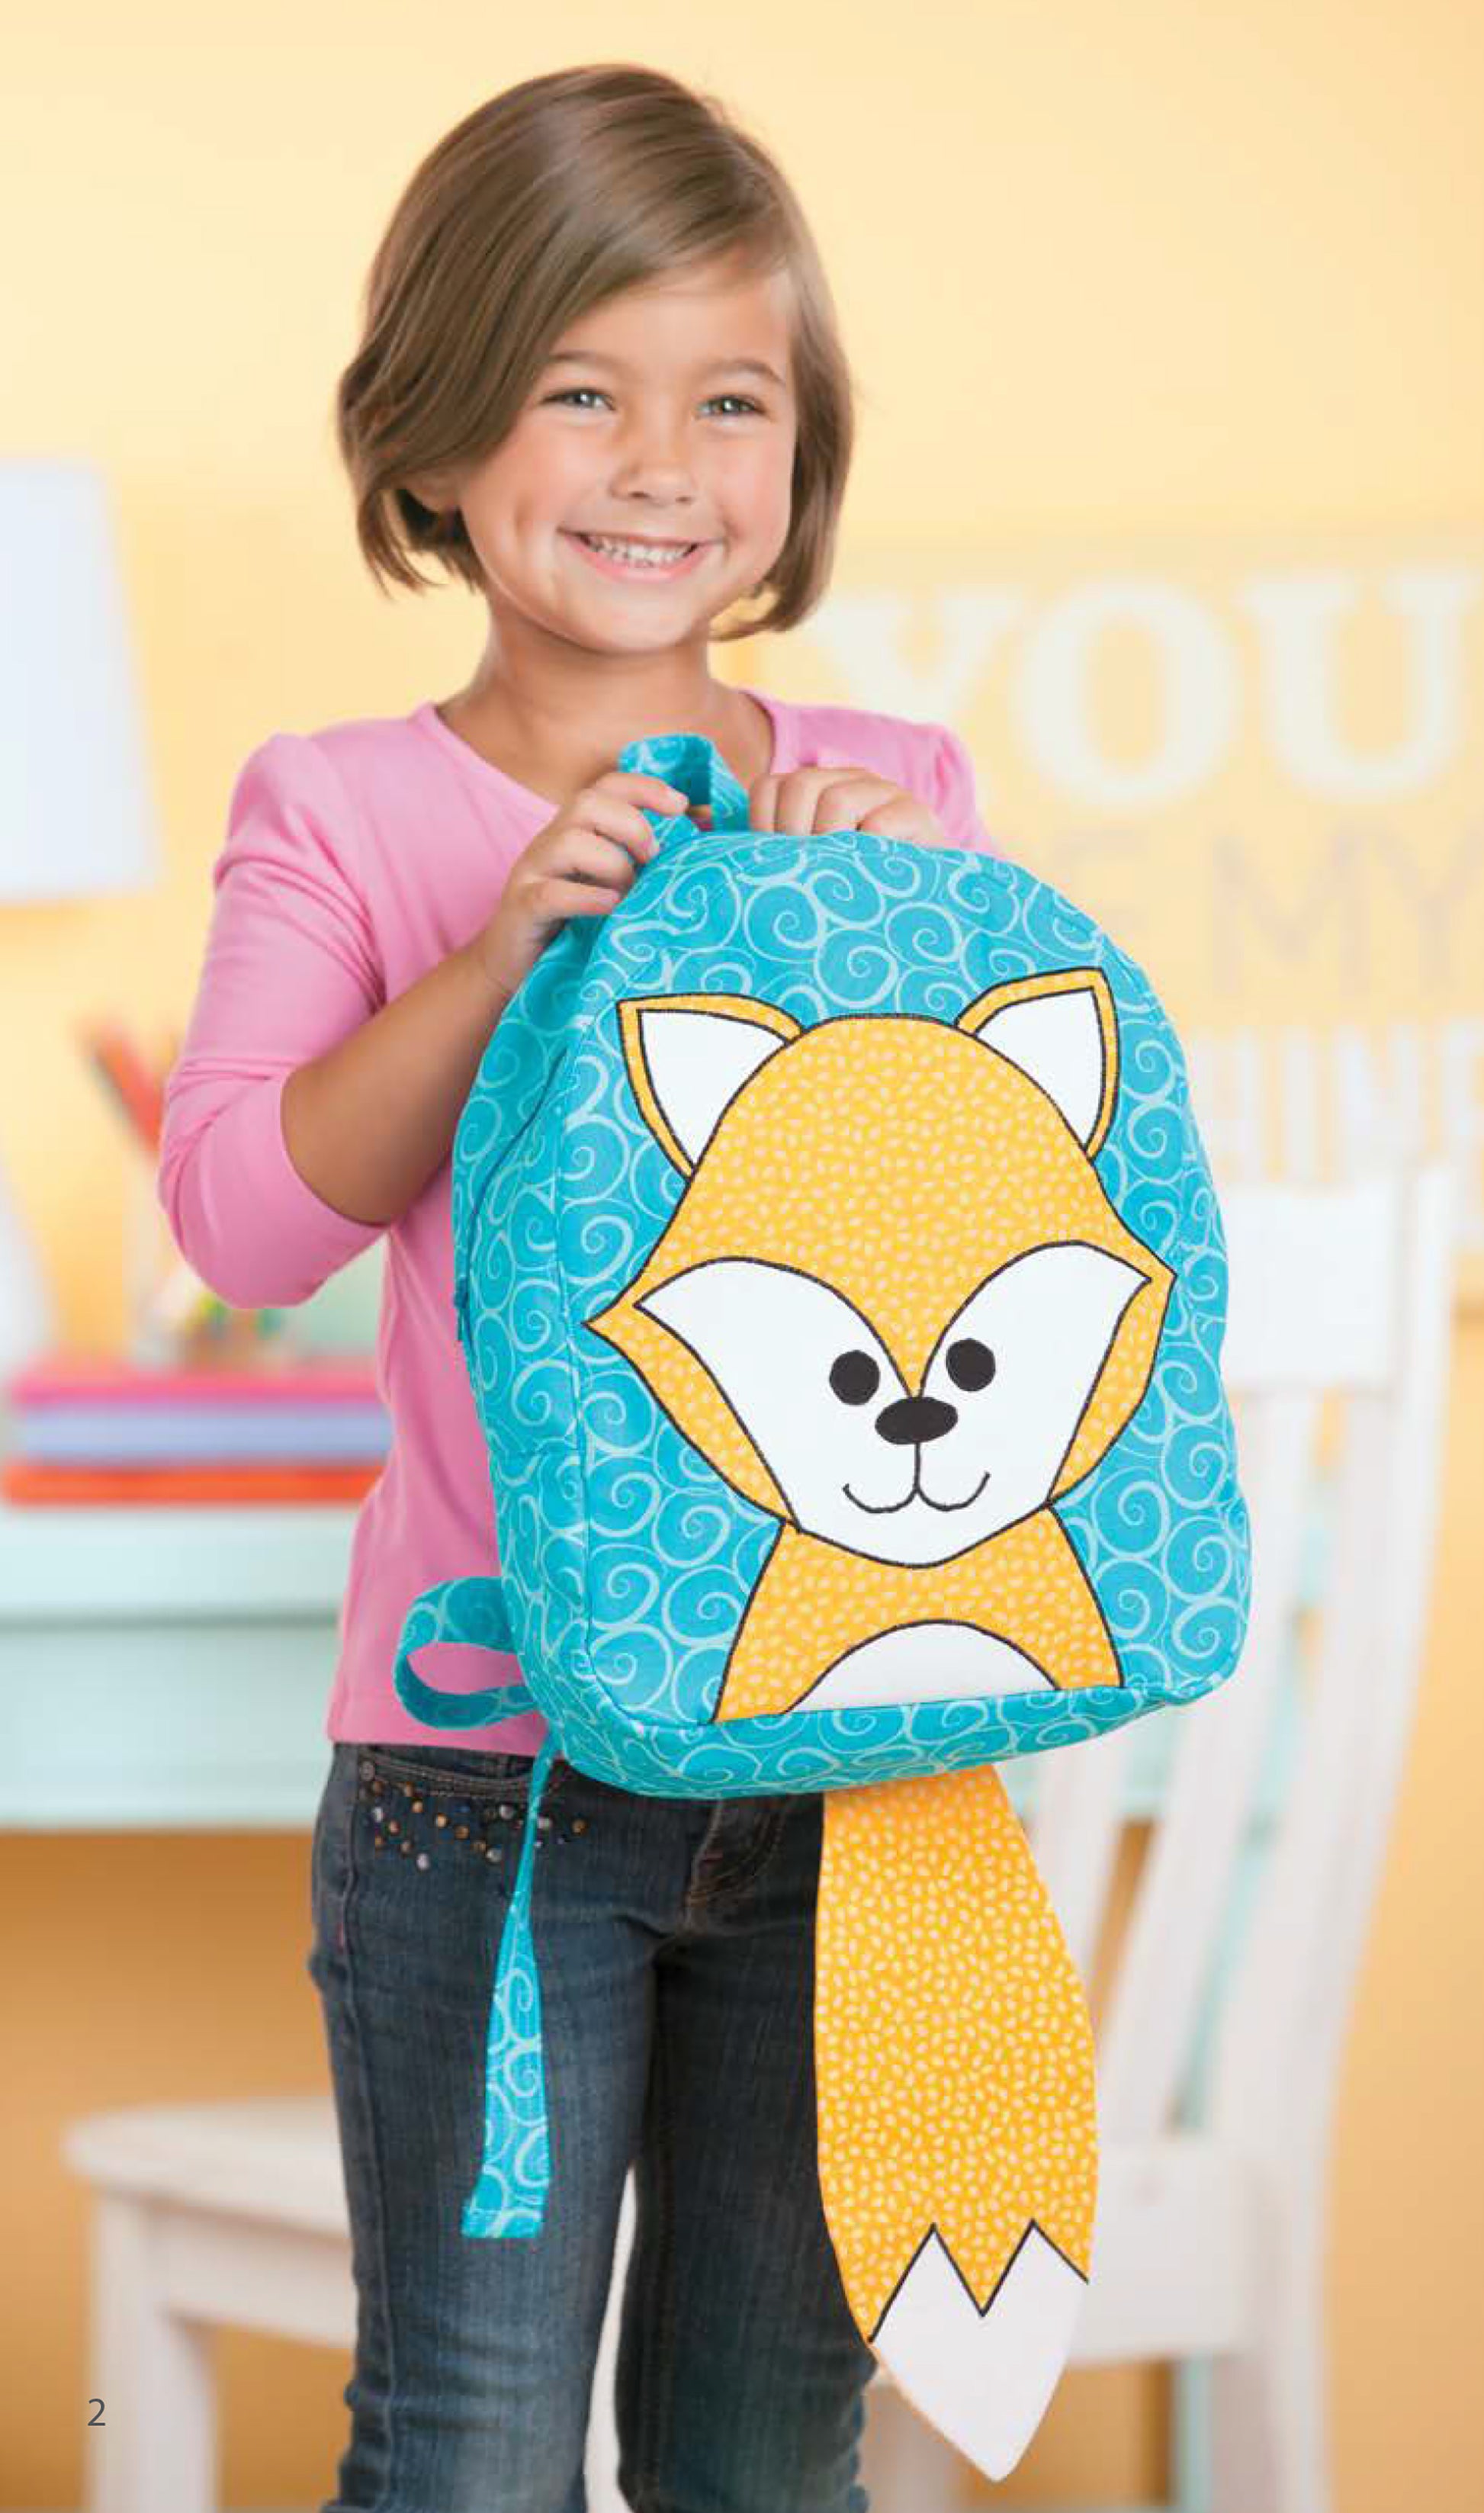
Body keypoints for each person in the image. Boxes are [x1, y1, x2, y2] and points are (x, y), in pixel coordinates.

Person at [157, 61, 999, 2513]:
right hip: (480, 1778)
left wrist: (872, 947)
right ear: (430, 444)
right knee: (469, 2448)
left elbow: (965, 1262)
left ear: (797, 452)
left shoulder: (897, 789)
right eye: (576, 391)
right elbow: (244, 1217)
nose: (658, 461)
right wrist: (515, 945)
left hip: (845, 1754)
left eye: (726, 400)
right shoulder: (342, 811)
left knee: (764, 2451)